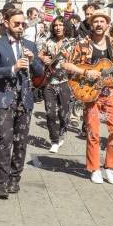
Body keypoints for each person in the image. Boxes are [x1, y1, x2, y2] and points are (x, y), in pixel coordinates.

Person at [63, 9, 113, 185]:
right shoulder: (82, 44)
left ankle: (110, 167)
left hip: (111, 90)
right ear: (91, 24)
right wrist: (86, 72)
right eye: (96, 21)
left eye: (102, 21)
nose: (99, 24)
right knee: (93, 131)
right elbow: (66, 64)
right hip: (91, 92)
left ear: (107, 24)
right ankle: (94, 168)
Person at [0, 8, 44, 199]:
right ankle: (2, 182)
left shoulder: (30, 45)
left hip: (25, 98)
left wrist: (33, 60)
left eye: (23, 24)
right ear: (6, 23)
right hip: (4, 97)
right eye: (16, 24)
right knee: (4, 141)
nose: (20, 27)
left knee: (21, 142)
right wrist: (13, 68)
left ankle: (14, 178)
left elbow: (40, 72)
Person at [40, 17, 74, 153]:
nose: (58, 28)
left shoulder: (71, 43)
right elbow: (40, 55)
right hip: (49, 82)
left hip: (65, 82)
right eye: (55, 25)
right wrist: (43, 58)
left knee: (64, 114)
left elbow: (76, 62)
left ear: (66, 27)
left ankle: (62, 133)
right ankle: (54, 140)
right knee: (50, 113)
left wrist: (67, 57)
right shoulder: (48, 41)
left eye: (61, 25)